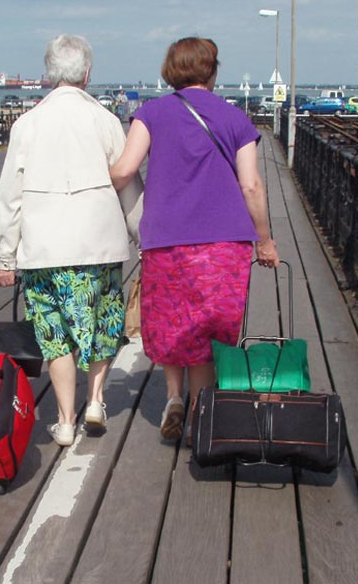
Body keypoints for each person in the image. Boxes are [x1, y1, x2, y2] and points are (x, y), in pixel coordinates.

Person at [109, 36, 279, 442]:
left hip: (165, 239)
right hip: (224, 243)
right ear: (212, 71)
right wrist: (265, 240)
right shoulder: (235, 118)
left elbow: (125, 170)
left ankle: (174, 398)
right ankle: (201, 409)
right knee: (209, 327)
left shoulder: (151, 113)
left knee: (172, 321)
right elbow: (251, 186)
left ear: (171, 70)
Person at [0, 34, 141, 448]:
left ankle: (66, 421)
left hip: (44, 249)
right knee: (103, 323)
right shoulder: (105, 120)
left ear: (49, 74)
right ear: (87, 73)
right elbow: (127, 182)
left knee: (55, 336)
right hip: (99, 245)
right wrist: (144, 238)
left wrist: (4, 258)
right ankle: (96, 401)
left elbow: (10, 197)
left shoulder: (28, 124)